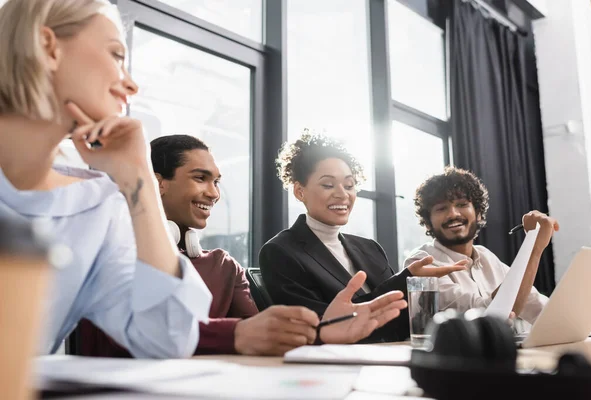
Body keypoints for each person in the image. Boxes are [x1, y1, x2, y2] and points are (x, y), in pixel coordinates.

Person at [0, 0, 215, 358]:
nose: (130, 86)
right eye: (117, 55)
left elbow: (165, 340)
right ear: (48, 47)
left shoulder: (96, 205)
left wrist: (139, 176)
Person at [80, 134, 410, 357]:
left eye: (216, 181)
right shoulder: (110, 251)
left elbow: (263, 334)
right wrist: (237, 335)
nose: (214, 193)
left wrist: (325, 329)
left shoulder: (223, 266)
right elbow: (124, 340)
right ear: (157, 183)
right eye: (200, 178)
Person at [259, 131, 467, 342]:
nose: (343, 194)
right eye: (328, 185)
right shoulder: (281, 252)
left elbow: (400, 317)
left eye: (349, 185)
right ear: (299, 191)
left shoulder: (370, 248)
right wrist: (404, 280)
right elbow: (319, 327)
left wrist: (417, 289)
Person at [404, 166, 559, 325]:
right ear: (428, 223)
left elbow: (537, 306)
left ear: (478, 214)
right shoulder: (420, 263)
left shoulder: (486, 257)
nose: (453, 214)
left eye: (462, 204)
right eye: (442, 208)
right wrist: (533, 247)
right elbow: (491, 315)